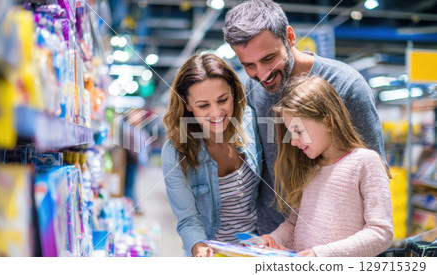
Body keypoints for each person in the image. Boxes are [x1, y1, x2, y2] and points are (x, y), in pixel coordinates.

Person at [223, 0, 388, 235]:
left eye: (269, 58)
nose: (262, 74)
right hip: (273, 235)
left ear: (290, 37)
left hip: (333, 240)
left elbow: (376, 173)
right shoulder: (250, 87)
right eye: (249, 65)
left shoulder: (345, 85)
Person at [259, 75, 393, 257]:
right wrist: (274, 240)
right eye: (291, 133)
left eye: (299, 131)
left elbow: (381, 232)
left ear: (328, 121)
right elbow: (293, 224)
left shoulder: (366, 162)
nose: (294, 141)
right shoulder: (309, 169)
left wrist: (321, 254)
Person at [161, 53, 263, 257]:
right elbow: (188, 219)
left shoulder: (252, 123)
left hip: (260, 250)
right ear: (187, 105)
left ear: (233, 92)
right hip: (213, 254)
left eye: (222, 100)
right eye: (203, 105)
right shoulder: (175, 151)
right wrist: (199, 247)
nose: (216, 113)